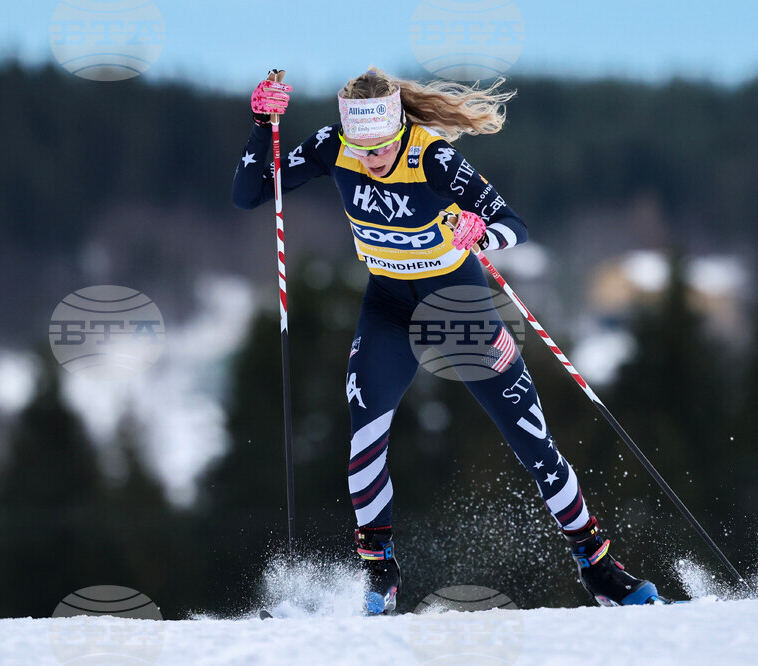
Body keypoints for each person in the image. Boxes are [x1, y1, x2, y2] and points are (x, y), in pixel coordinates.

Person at [233, 68, 659, 614]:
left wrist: (481, 232)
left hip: (459, 310)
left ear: (397, 129)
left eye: (381, 146)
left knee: (533, 444)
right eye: (361, 148)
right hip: (388, 307)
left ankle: (600, 569)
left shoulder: (432, 157)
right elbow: (250, 193)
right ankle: (380, 573)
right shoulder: (332, 146)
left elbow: (515, 226)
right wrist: (261, 123)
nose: (371, 159)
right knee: (365, 435)